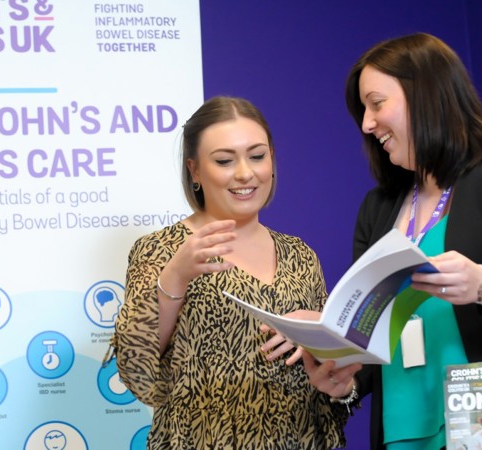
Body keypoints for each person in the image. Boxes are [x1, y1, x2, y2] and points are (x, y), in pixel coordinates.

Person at [299, 33, 482, 450]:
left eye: (376, 103)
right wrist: (344, 378)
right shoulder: (378, 208)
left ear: (424, 93)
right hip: (407, 435)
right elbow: (378, 343)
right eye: (363, 111)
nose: (367, 123)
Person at [108, 96, 350, 449]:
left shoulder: (300, 255)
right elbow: (137, 369)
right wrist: (175, 276)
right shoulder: (161, 249)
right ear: (194, 170)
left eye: (257, 156)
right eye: (224, 160)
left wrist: (334, 367)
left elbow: (332, 377)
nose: (245, 173)